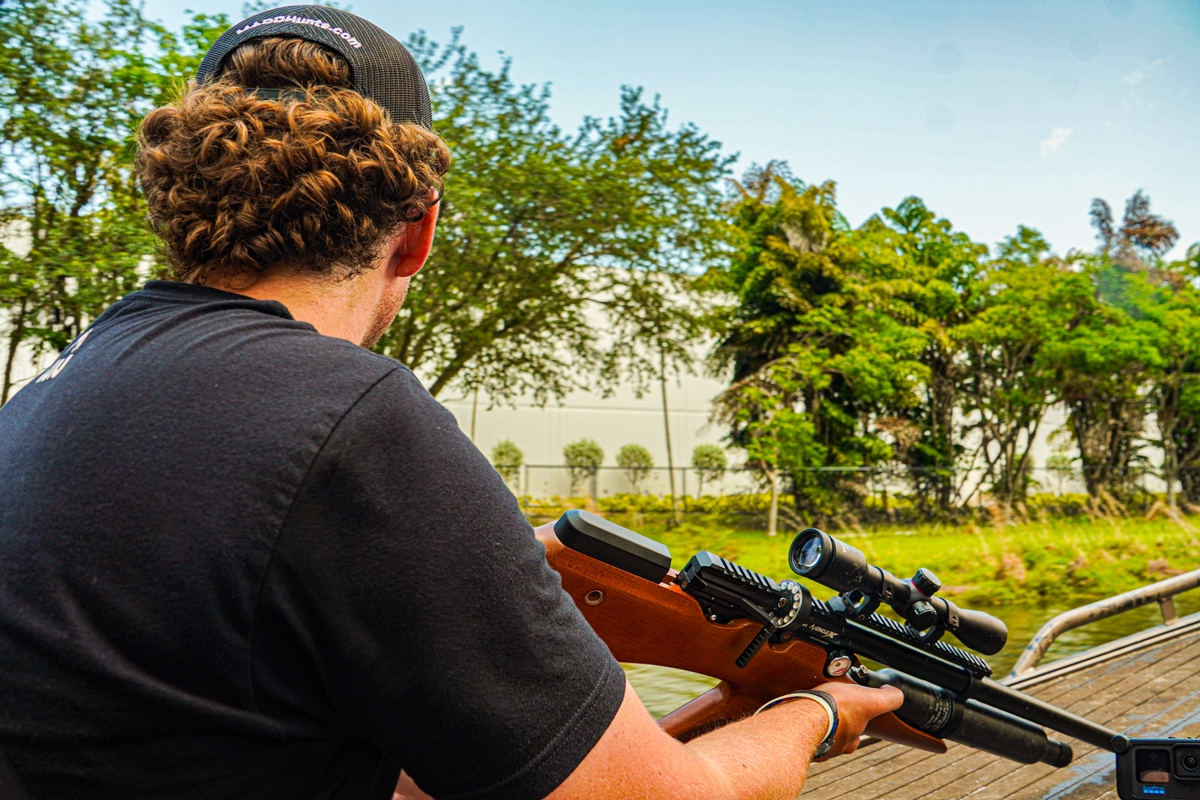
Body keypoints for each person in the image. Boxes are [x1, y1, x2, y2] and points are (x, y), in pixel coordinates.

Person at [0, 7, 903, 800]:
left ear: (177, 203)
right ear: (418, 229)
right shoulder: (350, 417)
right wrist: (814, 713)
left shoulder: (51, 392)